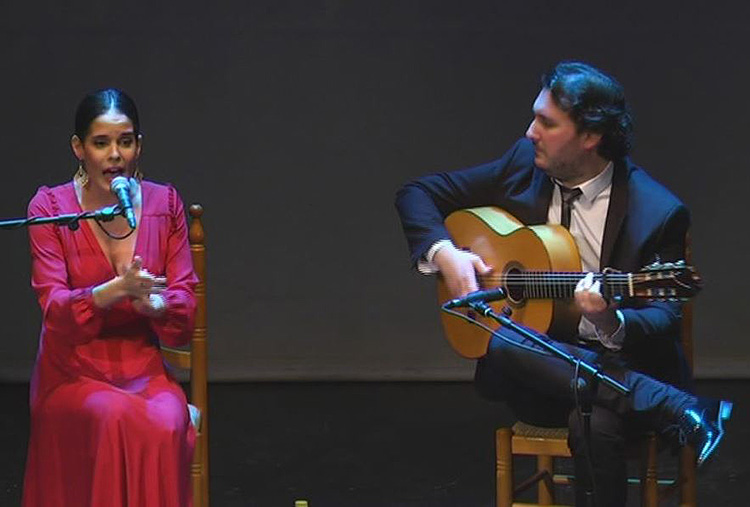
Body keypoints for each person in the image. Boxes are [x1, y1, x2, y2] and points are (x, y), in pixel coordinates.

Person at [395, 61, 732, 506]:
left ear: (590, 136)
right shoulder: (522, 164)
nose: (530, 131)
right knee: (504, 342)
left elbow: (663, 317)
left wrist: (611, 321)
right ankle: (666, 404)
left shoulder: (656, 211)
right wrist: (445, 253)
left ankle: (648, 398)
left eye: (546, 122)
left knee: (595, 422)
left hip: (621, 364)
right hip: (535, 380)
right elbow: (417, 193)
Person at [22, 88, 198, 507]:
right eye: (101, 143)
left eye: (126, 141)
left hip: (143, 366)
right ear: (79, 148)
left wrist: (153, 305)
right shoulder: (49, 208)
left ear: (139, 146)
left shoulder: (164, 204)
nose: (115, 154)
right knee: (109, 414)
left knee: (165, 419)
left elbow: (185, 309)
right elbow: (55, 313)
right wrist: (112, 292)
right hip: (73, 368)